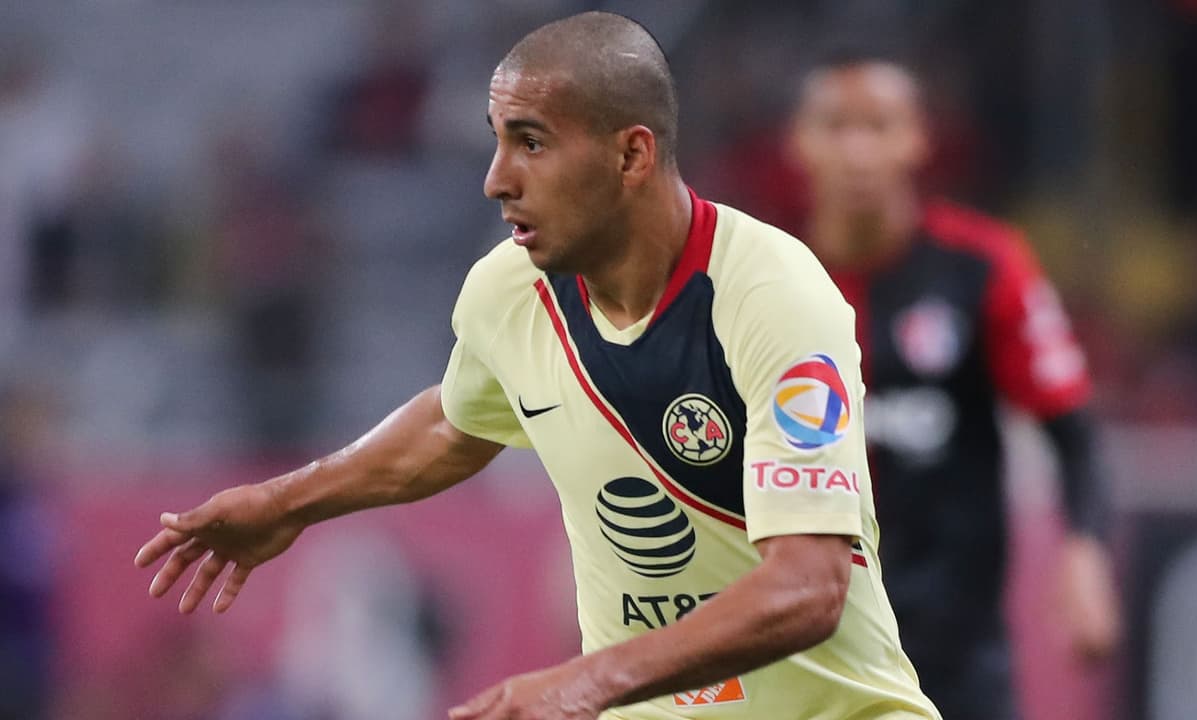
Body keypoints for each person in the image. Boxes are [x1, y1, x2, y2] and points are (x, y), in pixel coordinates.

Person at [135, 13, 940, 720]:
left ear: (631, 155)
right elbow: (455, 424)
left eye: (531, 142)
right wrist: (287, 501)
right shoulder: (509, 290)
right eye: (496, 140)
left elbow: (807, 587)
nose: (496, 179)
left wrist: (589, 679)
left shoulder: (772, 294)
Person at [787, 50, 1123, 720]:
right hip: (803, 649)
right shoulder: (766, 281)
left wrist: (1084, 552)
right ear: (801, 143)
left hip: (954, 651)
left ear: (916, 139)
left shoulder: (983, 267)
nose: (858, 151)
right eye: (837, 126)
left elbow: (1072, 431)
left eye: (878, 126)